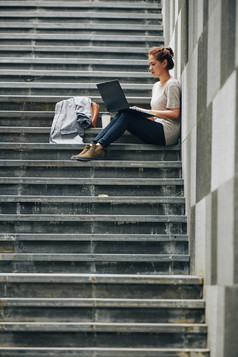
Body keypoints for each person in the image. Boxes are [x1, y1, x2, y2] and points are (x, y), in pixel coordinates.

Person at [71, 46, 181, 161]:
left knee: (127, 116)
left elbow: (175, 114)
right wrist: (138, 113)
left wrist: (146, 111)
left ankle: (100, 147)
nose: (150, 68)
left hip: (167, 134)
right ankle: (94, 145)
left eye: (153, 64)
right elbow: (154, 117)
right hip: (157, 127)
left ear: (164, 63)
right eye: (149, 65)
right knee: (124, 112)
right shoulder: (156, 86)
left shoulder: (172, 85)